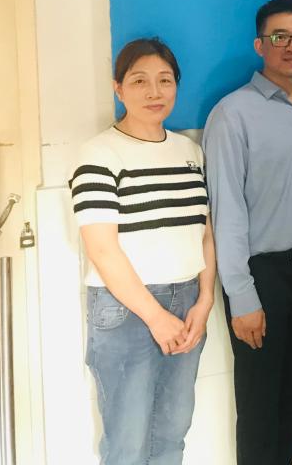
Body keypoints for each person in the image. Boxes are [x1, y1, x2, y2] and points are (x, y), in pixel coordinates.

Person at [69, 38, 215, 465]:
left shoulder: (189, 151)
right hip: (127, 310)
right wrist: (155, 316)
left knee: (172, 434)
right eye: (139, 81)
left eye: (165, 81)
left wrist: (205, 299)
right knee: (127, 445)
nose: (154, 92)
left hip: (187, 301)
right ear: (118, 88)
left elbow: (205, 233)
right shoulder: (98, 153)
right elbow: (101, 249)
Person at [203, 0, 292, 465]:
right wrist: (241, 295)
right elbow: (227, 211)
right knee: (259, 404)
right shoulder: (232, 114)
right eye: (280, 37)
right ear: (260, 45)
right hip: (262, 275)